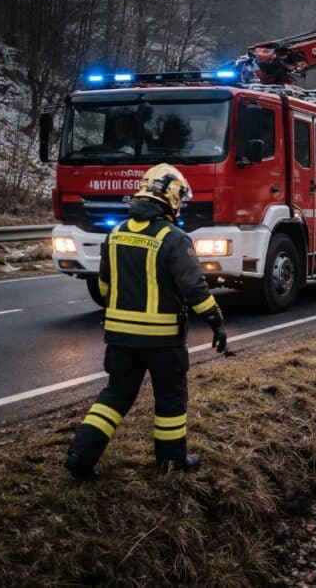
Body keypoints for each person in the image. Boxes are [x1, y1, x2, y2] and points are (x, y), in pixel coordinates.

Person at [64, 163, 228, 480]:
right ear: (171, 198)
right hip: (163, 341)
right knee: (169, 398)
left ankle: (81, 456)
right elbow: (194, 289)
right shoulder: (174, 238)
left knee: (115, 396)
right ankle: (171, 462)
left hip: (119, 338)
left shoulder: (116, 234)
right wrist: (216, 321)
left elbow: (103, 287)